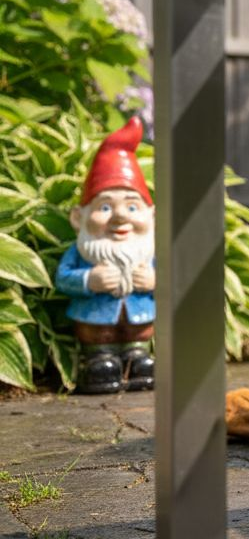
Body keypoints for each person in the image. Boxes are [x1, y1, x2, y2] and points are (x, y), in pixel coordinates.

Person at [56, 117, 156, 394]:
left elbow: (172, 281)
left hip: (140, 324)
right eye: (105, 207)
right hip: (94, 326)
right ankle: (99, 358)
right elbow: (62, 279)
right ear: (79, 218)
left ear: (152, 217)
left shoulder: (149, 253)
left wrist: (154, 279)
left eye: (132, 208)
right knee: (103, 365)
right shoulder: (81, 252)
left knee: (142, 361)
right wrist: (88, 280)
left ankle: (136, 357)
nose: (121, 216)